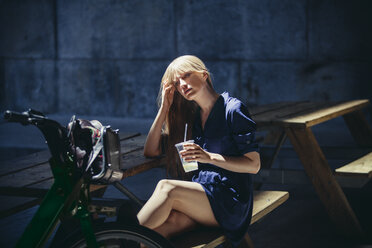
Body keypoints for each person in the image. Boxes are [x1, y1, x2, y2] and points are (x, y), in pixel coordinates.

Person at [137, 55, 260, 246]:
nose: (182, 84)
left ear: (203, 75)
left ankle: (121, 236)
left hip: (230, 200)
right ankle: (128, 237)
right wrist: (164, 108)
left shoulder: (232, 109)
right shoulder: (193, 117)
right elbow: (151, 151)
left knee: (167, 187)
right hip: (203, 196)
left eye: (186, 75)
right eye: (177, 83)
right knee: (158, 232)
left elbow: (254, 165)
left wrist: (209, 157)